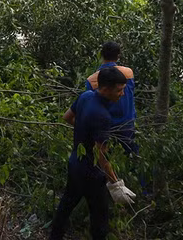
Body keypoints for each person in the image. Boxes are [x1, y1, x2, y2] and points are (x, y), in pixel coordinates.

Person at [50, 67, 136, 240]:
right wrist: (116, 184)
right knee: (100, 218)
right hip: (91, 173)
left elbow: (67, 117)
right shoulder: (102, 116)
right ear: (105, 89)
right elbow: (101, 157)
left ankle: (54, 236)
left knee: (66, 204)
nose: (122, 94)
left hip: (75, 163)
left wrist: (85, 131)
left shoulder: (85, 96)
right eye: (119, 90)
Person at [85, 41, 137, 154]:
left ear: (101, 55)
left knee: (107, 160)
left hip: (105, 129)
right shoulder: (128, 73)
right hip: (128, 126)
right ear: (118, 56)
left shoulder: (92, 80)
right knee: (132, 159)